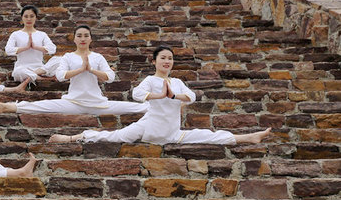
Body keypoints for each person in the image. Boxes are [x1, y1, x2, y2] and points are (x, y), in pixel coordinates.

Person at [49, 45, 272, 145]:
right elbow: (137, 94)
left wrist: (173, 96)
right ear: (155, 61)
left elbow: (192, 97)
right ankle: (71, 138)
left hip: (172, 133)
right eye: (163, 58)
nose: (167, 61)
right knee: (113, 136)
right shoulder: (150, 80)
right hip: (148, 128)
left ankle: (249, 137)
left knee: (208, 136)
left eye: (170, 58)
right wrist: (159, 96)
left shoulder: (177, 83)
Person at [0, 24, 147, 115]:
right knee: (43, 106)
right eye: (79, 36)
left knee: (140, 107)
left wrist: (91, 70)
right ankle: (7, 106)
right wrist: (80, 70)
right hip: (73, 102)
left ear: (90, 38)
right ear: (75, 39)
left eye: (86, 35)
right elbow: (61, 76)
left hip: (98, 103)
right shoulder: (68, 57)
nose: (83, 38)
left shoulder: (98, 57)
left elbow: (110, 77)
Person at [5, 5, 58, 82]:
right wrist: (25, 48)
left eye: (32, 16)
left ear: (36, 18)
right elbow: (8, 50)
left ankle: (34, 74)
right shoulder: (15, 34)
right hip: (23, 68)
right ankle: (43, 79)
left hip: (40, 69)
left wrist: (36, 47)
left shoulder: (42, 34)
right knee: (18, 72)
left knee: (59, 60)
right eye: (26, 16)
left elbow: (52, 49)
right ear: (22, 18)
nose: (29, 19)